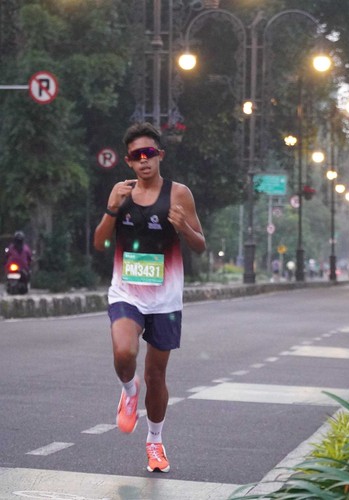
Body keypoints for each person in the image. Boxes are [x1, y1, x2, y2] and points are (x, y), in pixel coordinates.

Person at [93, 122, 206, 473]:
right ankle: (129, 391)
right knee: (124, 352)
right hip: (126, 292)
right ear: (128, 161)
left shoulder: (179, 194)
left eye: (149, 153)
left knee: (157, 376)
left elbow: (200, 245)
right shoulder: (121, 194)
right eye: (136, 156)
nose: (144, 160)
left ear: (160, 155)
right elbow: (100, 244)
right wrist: (111, 209)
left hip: (165, 300)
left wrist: (183, 227)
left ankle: (155, 441)